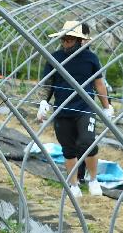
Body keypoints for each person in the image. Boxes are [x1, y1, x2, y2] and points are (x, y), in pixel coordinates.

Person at [37, 21, 114, 199]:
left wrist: (107, 107)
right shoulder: (54, 57)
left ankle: (93, 180)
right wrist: (42, 102)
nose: (66, 43)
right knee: (68, 149)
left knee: (87, 142)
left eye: (70, 40)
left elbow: (99, 83)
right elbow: (47, 83)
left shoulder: (91, 59)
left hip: (85, 108)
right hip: (62, 110)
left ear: (80, 40)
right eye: (64, 40)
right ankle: (73, 184)